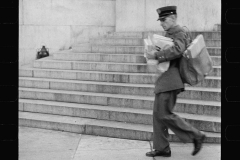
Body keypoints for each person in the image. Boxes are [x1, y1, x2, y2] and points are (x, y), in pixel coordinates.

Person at [145, 6, 206, 157]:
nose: (161, 23)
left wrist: (157, 54)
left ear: (173, 18)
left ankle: (196, 135)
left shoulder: (179, 32)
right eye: (161, 20)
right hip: (165, 80)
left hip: (171, 80)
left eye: (164, 20)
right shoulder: (171, 33)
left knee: (164, 114)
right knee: (157, 114)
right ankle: (162, 147)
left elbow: (178, 50)